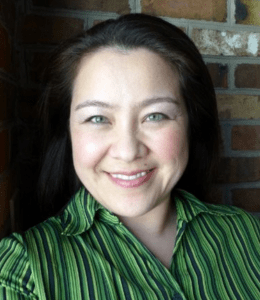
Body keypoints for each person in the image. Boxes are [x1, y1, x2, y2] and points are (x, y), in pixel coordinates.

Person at [0, 13, 259, 300]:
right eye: (97, 118)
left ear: (191, 124)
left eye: (155, 116)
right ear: (68, 131)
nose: (127, 151)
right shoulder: (22, 273)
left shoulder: (248, 234)